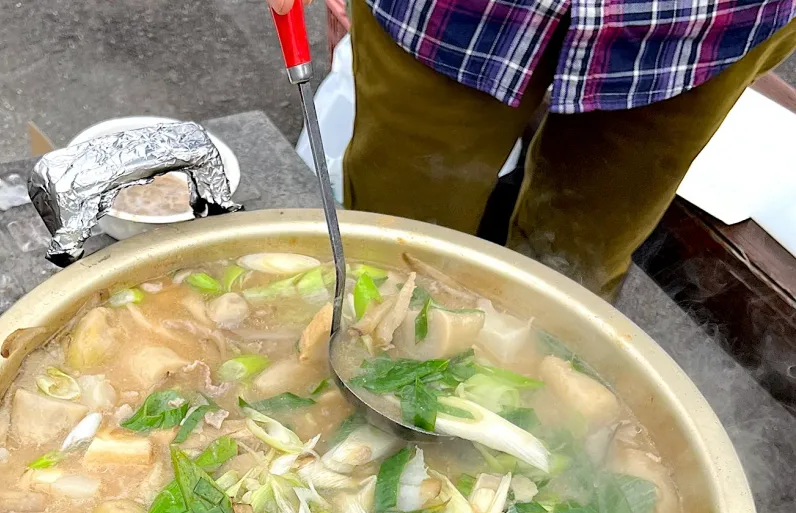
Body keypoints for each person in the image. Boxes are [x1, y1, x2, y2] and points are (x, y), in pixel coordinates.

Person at [268, 0, 796, 300]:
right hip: (447, 12)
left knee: (576, 269)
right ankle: (368, 364)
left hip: (705, 21)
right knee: (392, 245)